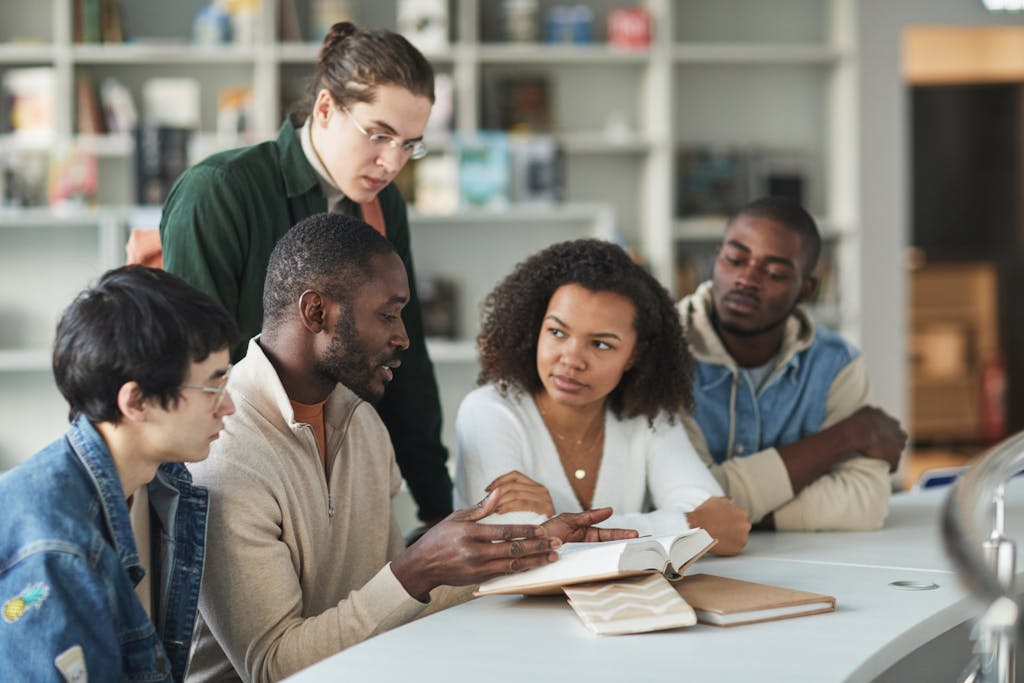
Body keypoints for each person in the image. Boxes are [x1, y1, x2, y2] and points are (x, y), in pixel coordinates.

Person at [185, 213, 635, 682]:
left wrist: (534, 547)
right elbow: (273, 667)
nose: (402, 336)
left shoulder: (362, 423)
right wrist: (416, 570)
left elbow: (388, 606)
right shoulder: (223, 448)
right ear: (316, 312)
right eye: (387, 314)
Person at [160, 21, 451, 530]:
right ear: (323, 108)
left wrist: (439, 509)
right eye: (379, 135)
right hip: (236, 474)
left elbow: (408, 356)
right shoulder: (221, 190)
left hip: (342, 469)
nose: (391, 162)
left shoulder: (384, 205)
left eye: (409, 145)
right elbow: (195, 371)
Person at [0, 266, 238, 682]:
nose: (229, 405)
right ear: (136, 401)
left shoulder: (165, 483)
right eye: (213, 387)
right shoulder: (55, 549)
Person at [453, 239, 750, 555]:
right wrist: (684, 523)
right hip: (500, 606)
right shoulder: (488, 411)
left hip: (624, 603)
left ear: (634, 355)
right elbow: (521, 550)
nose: (572, 359)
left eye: (601, 344)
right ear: (534, 327)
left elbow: (724, 528)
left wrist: (557, 524)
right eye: (557, 332)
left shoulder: (646, 415)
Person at [677, 196, 907, 531]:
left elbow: (865, 500)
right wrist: (846, 436)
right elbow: (687, 501)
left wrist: (732, 517)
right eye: (735, 259)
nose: (747, 279)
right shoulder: (664, 350)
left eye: (774, 273)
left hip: (801, 565)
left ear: (806, 289)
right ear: (716, 259)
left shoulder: (835, 363)